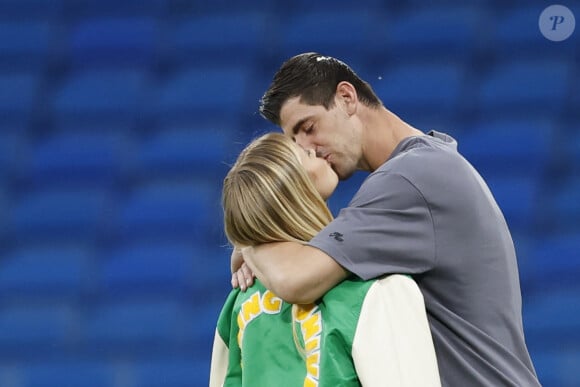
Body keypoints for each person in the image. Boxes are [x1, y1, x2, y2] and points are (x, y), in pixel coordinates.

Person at [233, 53, 540, 386]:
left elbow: (295, 279)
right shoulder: (425, 165)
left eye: (308, 128)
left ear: (346, 98)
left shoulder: (410, 179)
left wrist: (248, 237)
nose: (308, 149)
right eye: (295, 141)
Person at [210, 132, 440, 386]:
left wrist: (249, 244)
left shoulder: (238, 304)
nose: (316, 148)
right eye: (308, 154)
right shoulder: (380, 291)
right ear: (298, 187)